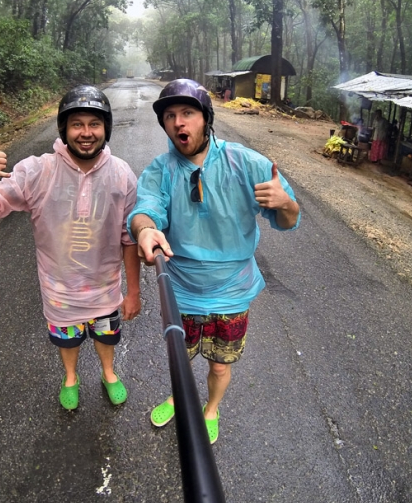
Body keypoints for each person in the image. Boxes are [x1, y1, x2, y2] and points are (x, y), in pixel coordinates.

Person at [128, 79, 300, 444]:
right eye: (170, 116)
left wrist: (285, 203)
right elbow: (146, 209)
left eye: (187, 113)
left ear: (205, 118)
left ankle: (211, 409)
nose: (178, 123)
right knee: (180, 357)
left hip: (232, 291)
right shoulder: (160, 170)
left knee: (220, 362)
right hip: (182, 290)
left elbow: (288, 221)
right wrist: (144, 230)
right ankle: (179, 397)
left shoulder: (247, 163)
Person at [0, 85, 141, 411]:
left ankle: (108, 372)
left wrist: (132, 291)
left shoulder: (122, 175)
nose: (86, 132)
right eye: (77, 124)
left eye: (95, 123)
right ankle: (70, 377)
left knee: (106, 336)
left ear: (106, 128)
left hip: (105, 288)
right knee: (68, 338)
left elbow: (128, 238)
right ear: (64, 129)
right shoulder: (38, 171)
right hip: (58, 291)